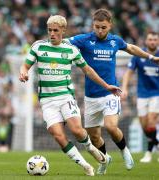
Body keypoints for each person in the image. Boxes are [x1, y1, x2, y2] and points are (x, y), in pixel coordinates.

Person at [19, 15, 121, 176]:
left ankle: (92, 149)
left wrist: (107, 86)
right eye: (50, 30)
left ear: (63, 31)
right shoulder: (38, 47)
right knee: (58, 136)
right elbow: (25, 66)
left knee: (78, 131)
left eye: (55, 30)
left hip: (66, 97)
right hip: (47, 101)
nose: (52, 33)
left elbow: (88, 70)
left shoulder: (71, 49)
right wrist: (23, 73)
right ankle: (86, 165)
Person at [68, 8, 159, 175]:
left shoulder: (115, 41)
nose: (100, 30)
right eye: (97, 27)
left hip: (111, 92)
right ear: (92, 25)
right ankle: (105, 159)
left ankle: (125, 151)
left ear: (110, 25)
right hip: (91, 97)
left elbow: (131, 48)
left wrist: (151, 58)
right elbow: (64, 43)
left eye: (103, 27)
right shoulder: (84, 40)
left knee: (110, 126)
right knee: (94, 137)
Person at [122, 32, 159, 163]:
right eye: (150, 39)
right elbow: (128, 73)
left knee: (151, 120)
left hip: (157, 94)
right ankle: (157, 143)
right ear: (146, 41)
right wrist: (125, 88)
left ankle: (149, 153)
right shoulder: (138, 55)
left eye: (155, 39)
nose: (153, 42)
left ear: (158, 41)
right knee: (144, 125)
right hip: (142, 95)